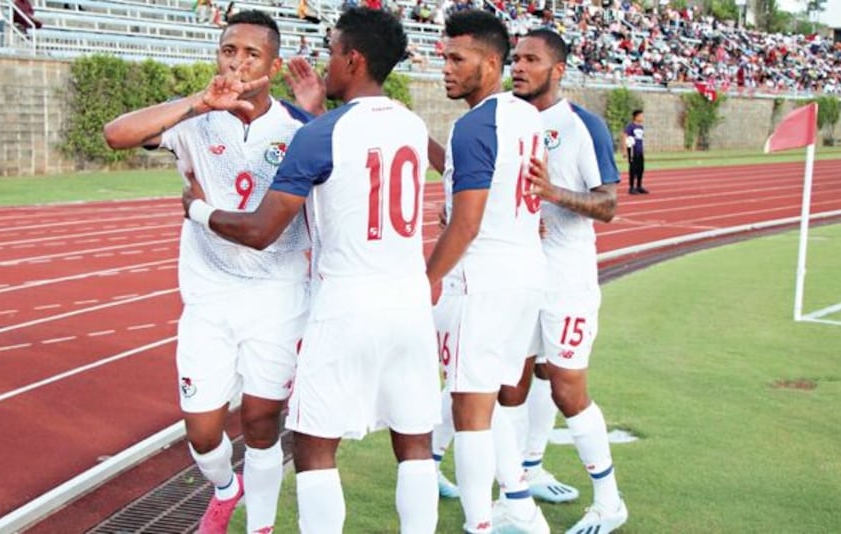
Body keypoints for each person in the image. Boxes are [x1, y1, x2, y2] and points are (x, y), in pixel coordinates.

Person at [181, 8, 441, 533]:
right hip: (411, 303)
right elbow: (437, 165)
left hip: (346, 303)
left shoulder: (321, 135)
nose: (325, 64)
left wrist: (198, 210)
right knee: (415, 443)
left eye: (332, 53)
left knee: (314, 446)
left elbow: (261, 230)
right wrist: (318, 111)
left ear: (354, 59)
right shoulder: (412, 125)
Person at [102, 11, 318, 534]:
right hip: (209, 296)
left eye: (252, 54)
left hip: (278, 294)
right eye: (229, 50)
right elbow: (116, 135)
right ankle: (225, 487)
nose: (238, 63)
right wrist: (198, 102)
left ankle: (260, 526)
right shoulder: (195, 121)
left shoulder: (298, 129)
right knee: (201, 432)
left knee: (262, 424)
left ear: (273, 65)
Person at [428, 10, 548, 534]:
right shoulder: (527, 115)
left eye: (458, 59)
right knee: (487, 398)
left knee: (469, 412)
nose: (446, 69)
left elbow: (467, 224)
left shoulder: (474, 125)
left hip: (483, 278)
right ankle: (518, 505)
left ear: (492, 62)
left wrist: (424, 280)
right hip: (525, 270)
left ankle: (479, 522)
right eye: (444, 58)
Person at [512, 28, 628, 533]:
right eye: (516, 58)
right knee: (516, 381)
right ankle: (525, 475)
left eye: (531, 59)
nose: (519, 67)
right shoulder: (507, 118)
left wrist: (552, 193)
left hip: (566, 279)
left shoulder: (582, 126)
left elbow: (608, 204)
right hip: (519, 274)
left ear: (557, 70)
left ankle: (609, 502)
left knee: (565, 386)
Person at [622, 109, 647, 194]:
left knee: (641, 168)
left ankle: (639, 186)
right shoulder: (630, 126)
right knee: (633, 169)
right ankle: (631, 187)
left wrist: (642, 150)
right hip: (632, 150)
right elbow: (624, 137)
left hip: (639, 151)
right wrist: (625, 150)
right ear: (636, 117)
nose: (642, 117)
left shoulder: (641, 127)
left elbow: (640, 139)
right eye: (641, 116)